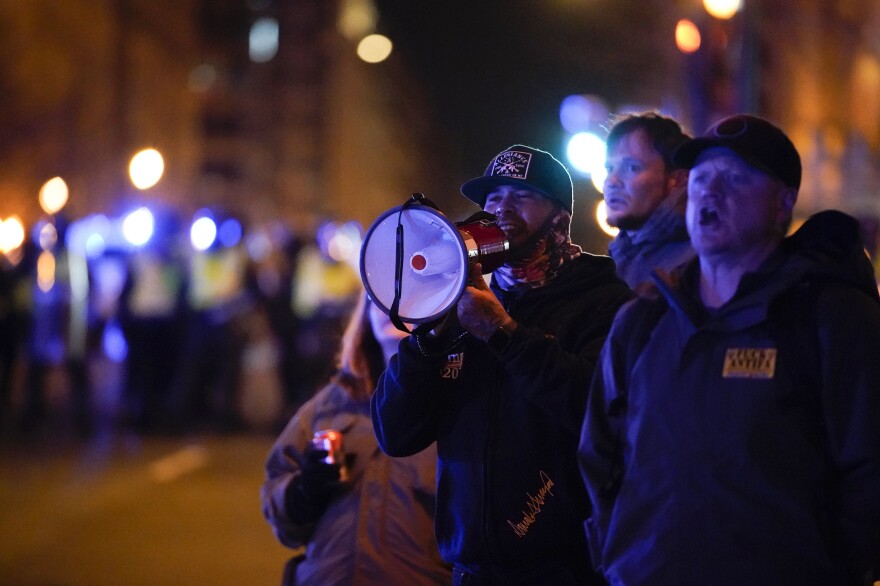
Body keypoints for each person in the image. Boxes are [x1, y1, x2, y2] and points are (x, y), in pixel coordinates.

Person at [578, 114, 880, 585]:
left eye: (735, 178)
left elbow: (869, 470)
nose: (710, 192)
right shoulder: (642, 321)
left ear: (783, 204)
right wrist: (621, 559)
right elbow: (600, 455)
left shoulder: (830, 317)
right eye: (701, 178)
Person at [371, 144, 634, 584]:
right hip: (473, 570)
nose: (501, 211)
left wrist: (503, 334)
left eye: (522, 196)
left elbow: (598, 410)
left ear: (559, 217)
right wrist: (428, 340)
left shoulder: (604, 298)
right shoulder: (463, 301)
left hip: (571, 569)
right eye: (493, 199)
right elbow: (395, 433)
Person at [261, 292, 451, 585]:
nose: (391, 306)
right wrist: (302, 493)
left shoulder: (459, 403)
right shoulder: (330, 404)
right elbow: (279, 510)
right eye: (380, 296)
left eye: (408, 294)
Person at [603, 112, 695, 291]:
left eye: (632, 167)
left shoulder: (697, 262)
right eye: (609, 168)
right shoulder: (616, 259)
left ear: (678, 180)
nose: (612, 181)